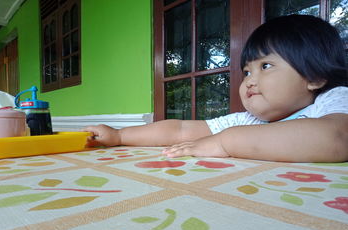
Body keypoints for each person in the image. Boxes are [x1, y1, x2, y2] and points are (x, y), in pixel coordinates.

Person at [84, 14, 348, 163]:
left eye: (266, 66)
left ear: (314, 76)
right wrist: (119, 136)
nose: (250, 80)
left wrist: (225, 141)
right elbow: (181, 129)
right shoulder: (248, 120)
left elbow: (336, 139)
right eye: (246, 71)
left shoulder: (332, 100)